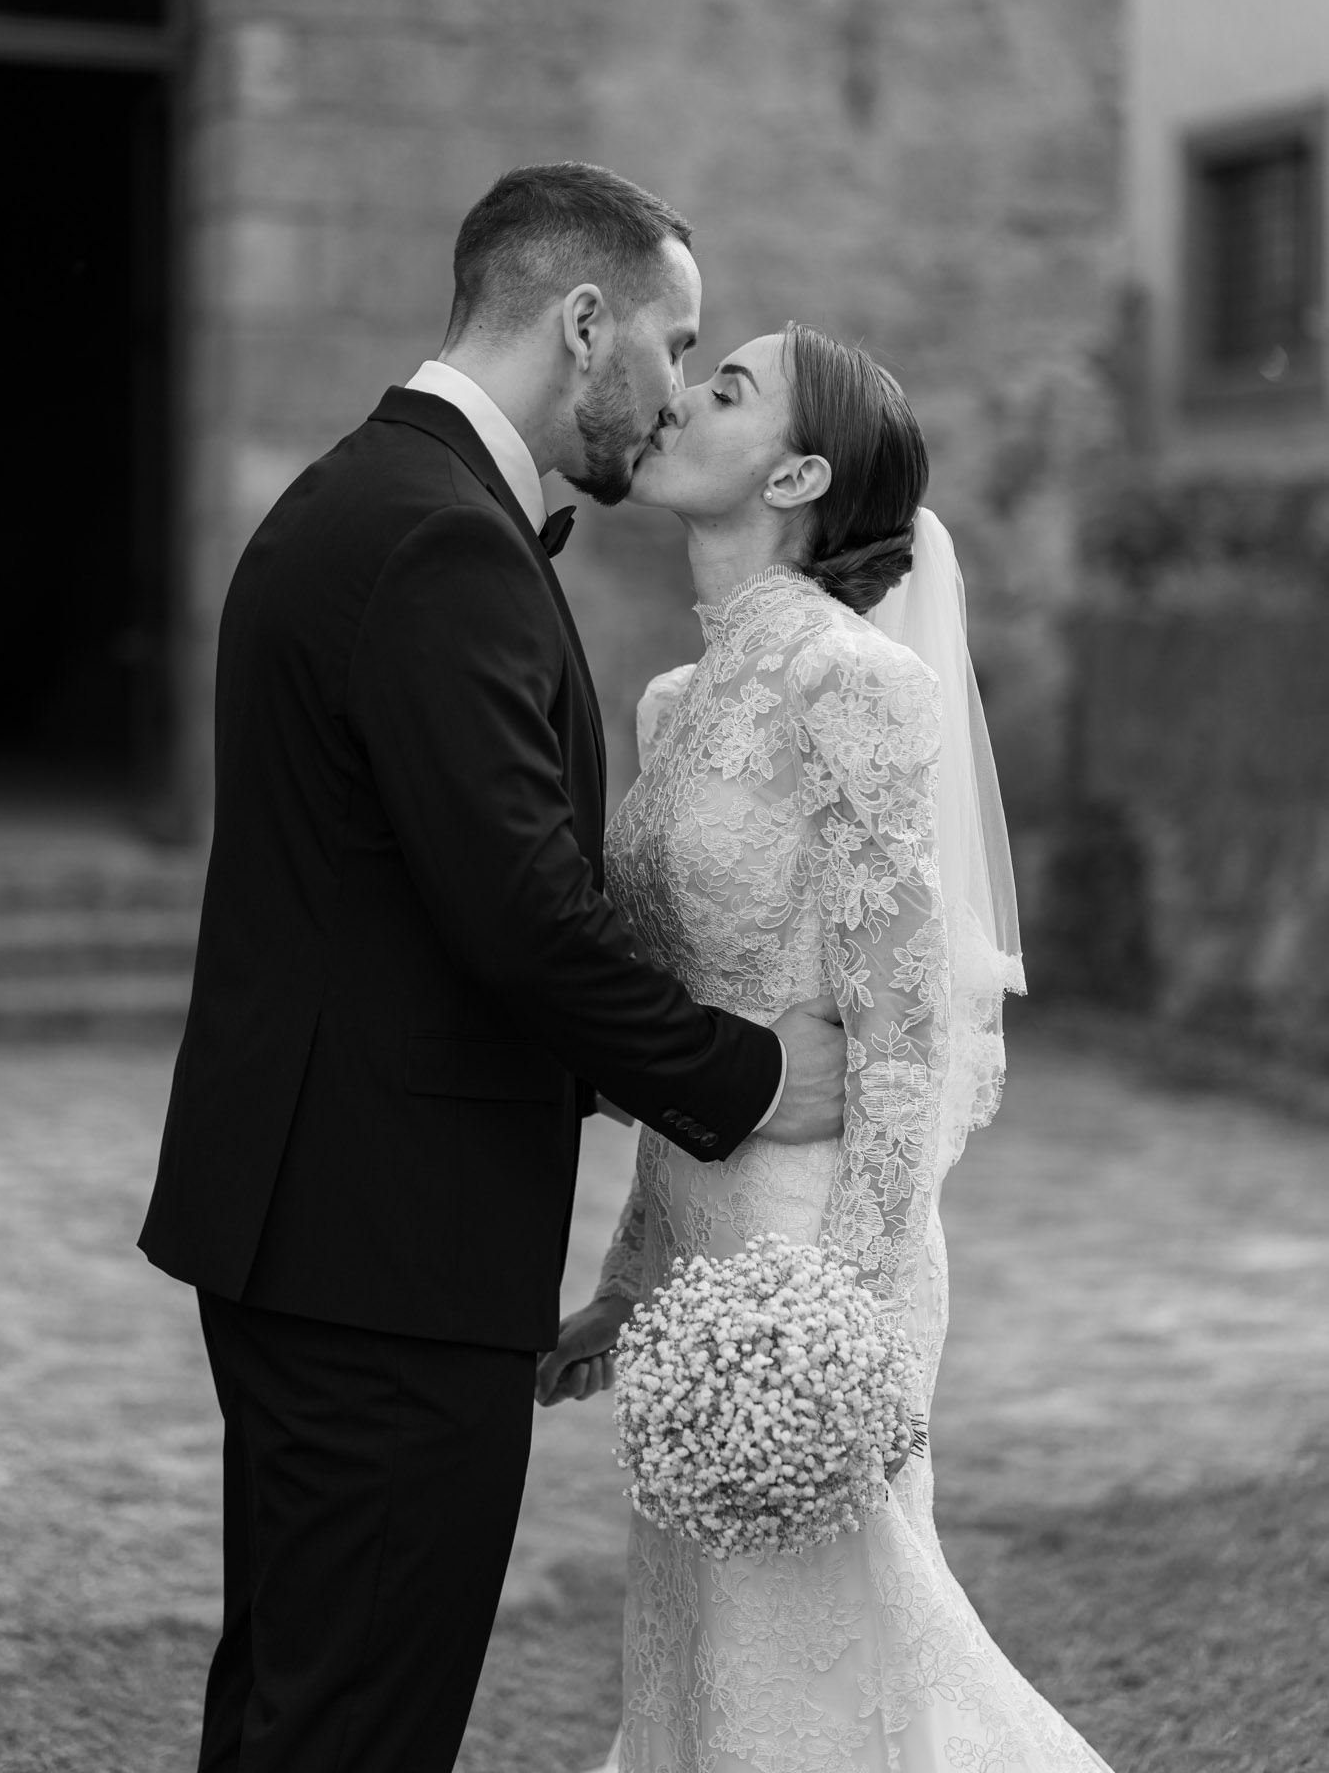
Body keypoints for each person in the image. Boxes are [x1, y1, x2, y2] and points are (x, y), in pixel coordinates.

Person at [138, 165, 851, 1773]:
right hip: (382, 1247)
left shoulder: (373, 499)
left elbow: (408, 896)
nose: (672, 388)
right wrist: (741, 1076)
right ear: (580, 321)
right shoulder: (437, 543)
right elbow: (517, 910)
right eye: (671, 343)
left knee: (296, 1699)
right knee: (356, 1725)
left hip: (318, 1227)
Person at [538, 324, 1115, 1771]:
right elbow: (694, 1025)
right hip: (702, 1265)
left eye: (724, 388)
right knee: (702, 1663)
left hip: (816, 1267)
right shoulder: (675, 702)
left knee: (830, 1663)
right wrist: (629, 1288)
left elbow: (904, 1030)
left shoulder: (856, 684)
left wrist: (835, 1329)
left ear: (796, 470)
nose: (677, 398)